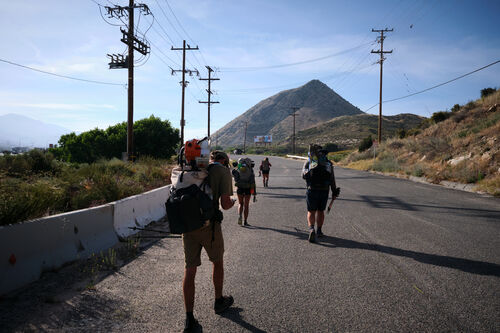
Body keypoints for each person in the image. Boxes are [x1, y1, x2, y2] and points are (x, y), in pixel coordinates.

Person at [182, 151, 235, 332]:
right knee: (217, 262)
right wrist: (233, 201)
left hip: (188, 225)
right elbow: (226, 204)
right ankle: (219, 301)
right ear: (223, 161)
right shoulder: (222, 171)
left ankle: (189, 319)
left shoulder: (188, 169)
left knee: (190, 271)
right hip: (209, 227)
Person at [302, 145, 338, 243]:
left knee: (311, 211)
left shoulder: (308, 162)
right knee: (320, 211)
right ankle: (319, 231)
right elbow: (332, 179)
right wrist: (334, 192)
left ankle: (311, 229)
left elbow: (303, 176)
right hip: (324, 190)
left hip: (312, 190)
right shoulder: (328, 163)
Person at [232, 157, 256, 226]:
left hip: (240, 188)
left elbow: (236, 179)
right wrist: (253, 192)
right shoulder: (251, 170)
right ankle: (245, 221)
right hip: (248, 189)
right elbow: (252, 182)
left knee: (240, 204)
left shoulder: (238, 169)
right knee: (246, 205)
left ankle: (240, 216)